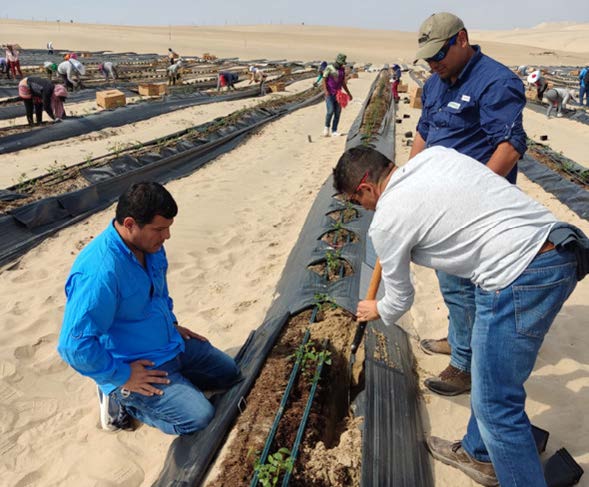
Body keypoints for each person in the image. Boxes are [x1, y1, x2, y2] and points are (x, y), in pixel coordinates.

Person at [334, 144, 587, 487]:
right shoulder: (435, 157)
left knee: (496, 406)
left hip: (517, 275)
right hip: (560, 249)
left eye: (355, 201)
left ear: (366, 187)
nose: (361, 208)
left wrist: (377, 308)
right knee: (490, 374)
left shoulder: (387, 220)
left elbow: (400, 299)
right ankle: (479, 451)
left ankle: (505, 463)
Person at [57, 182, 242, 435]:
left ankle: (174, 385)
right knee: (199, 417)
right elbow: (73, 345)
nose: (167, 236)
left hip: (170, 343)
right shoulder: (100, 272)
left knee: (229, 373)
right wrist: (122, 375)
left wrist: (172, 324)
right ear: (130, 224)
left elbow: (158, 294)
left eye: (168, 228)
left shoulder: (150, 247)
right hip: (138, 365)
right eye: (159, 229)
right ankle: (119, 398)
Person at [410, 12, 527, 396]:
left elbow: (509, 147)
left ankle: (466, 365)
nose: (433, 63)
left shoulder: (495, 82)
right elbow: (424, 133)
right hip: (440, 204)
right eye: (427, 57)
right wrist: (409, 181)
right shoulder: (434, 84)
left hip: (476, 209)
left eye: (438, 54)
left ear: (461, 39)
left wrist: (473, 197)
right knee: (452, 284)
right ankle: (459, 338)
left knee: (467, 288)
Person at [322, 53, 353, 137]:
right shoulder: (329, 68)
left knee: (337, 112)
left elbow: (343, 82)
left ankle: (334, 130)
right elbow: (324, 80)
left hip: (338, 94)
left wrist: (348, 93)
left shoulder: (342, 70)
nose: (341, 65)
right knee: (330, 111)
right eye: (340, 63)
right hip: (330, 93)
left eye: (342, 63)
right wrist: (325, 91)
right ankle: (326, 128)